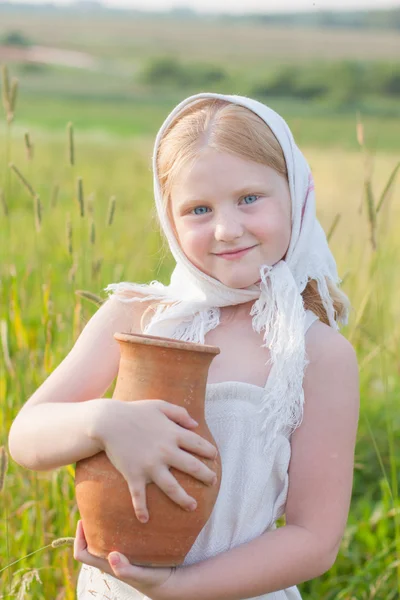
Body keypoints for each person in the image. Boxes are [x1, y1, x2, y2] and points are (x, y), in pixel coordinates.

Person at [8, 93, 360, 600]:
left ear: (297, 195)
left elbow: (314, 540)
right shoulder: (138, 315)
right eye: (198, 209)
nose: (226, 228)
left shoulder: (317, 353)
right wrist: (103, 421)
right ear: (169, 219)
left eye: (249, 199)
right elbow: (25, 437)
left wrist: (178, 588)